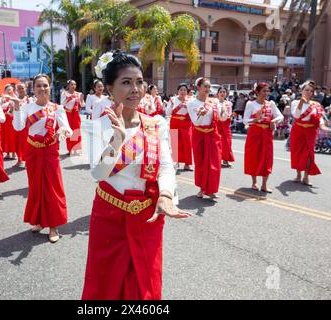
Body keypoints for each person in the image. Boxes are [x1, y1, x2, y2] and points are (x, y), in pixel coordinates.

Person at [82, 51, 191, 300]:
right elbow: (97, 174)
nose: (135, 89)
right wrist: (116, 141)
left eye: (139, 82)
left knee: (145, 283)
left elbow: (166, 165)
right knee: (105, 284)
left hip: (146, 215)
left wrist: (165, 195)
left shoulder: (157, 123)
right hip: (109, 215)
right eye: (126, 82)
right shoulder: (94, 125)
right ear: (109, 88)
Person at [12, 74, 72, 243]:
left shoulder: (57, 108)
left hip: (50, 151)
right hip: (32, 151)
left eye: (45, 85)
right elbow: (18, 127)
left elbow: (66, 128)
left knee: (53, 188)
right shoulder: (27, 107)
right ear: (34, 88)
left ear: (50, 87)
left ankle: (53, 225)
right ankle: (38, 220)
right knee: (36, 186)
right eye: (39, 85)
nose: (42, 88)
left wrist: (62, 131)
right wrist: (16, 107)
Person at [187, 77, 225, 199]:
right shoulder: (191, 103)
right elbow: (195, 122)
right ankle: (202, 188)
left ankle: (211, 189)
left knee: (214, 162)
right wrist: (200, 115)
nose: (208, 89)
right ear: (198, 87)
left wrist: (224, 111)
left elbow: (222, 118)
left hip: (213, 135)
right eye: (205, 86)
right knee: (201, 162)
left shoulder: (214, 102)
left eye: (209, 87)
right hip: (197, 134)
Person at [243, 82, 284, 193]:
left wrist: (273, 121)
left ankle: (264, 184)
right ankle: (254, 182)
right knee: (253, 157)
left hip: (266, 134)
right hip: (254, 133)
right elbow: (245, 120)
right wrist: (255, 120)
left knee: (267, 158)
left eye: (267, 91)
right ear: (257, 92)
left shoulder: (271, 104)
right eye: (263, 91)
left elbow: (280, 116)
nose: (266, 93)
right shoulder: (251, 104)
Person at [290, 80, 327, 186]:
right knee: (297, 153)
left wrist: (322, 125)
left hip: (310, 131)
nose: (308, 92)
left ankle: (306, 177)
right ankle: (298, 174)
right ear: (301, 91)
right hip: (298, 131)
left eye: (311, 91)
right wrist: (301, 102)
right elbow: (296, 116)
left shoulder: (316, 104)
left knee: (309, 154)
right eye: (306, 90)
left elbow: (319, 118)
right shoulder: (295, 102)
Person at [165, 83, 193, 171]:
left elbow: (193, 113)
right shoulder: (173, 100)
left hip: (186, 124)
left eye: (185, 90)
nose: (183, 91)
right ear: (178, 91)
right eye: (181, 90)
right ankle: (175, 162)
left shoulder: (190, 101)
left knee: (187, 143)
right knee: (175, 142)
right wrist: (173, 107)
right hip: (175, 122)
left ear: (187, 92)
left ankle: (187, 164)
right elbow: (167, 113)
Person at [61, 80, 84, 156]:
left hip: (76, 115)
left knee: (76, 131)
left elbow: (83, 105)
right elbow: (62, 104)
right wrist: (69, 98)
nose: (73, 86)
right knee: (68, 131)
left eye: (75, 84)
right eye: (72, 84)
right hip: (68, 114)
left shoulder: (79, 94)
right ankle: (70, 149)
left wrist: (81, 100)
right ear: (68, 85)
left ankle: (76, 149)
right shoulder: (64, 93)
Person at [13, 82, 33, 168]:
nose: (21, 90)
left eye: (22, 88)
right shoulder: (14, 100)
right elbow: (11, 113)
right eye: (19, 88)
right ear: (16, 90)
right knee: (17, 142)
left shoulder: (30, 99)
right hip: (17, 124)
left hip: (27, 125)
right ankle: (19, 159)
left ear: (26, 89)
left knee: (26, 143)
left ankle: (28, 159)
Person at [216, 87, 235, 168]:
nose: (222, 93)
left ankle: (225, 159)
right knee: (218, 142)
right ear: (218, 94)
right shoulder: (214, 103)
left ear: (226, 94)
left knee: (227, 142)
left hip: (226, 125)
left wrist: (231, 116)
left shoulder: (229, 103)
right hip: (217, 125)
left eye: (224, 92)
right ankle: (218, 159)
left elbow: (229, 113)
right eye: (221, 92)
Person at [1, 84, 18, 160]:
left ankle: (14, 153)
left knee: (12, 136)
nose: (9, 91)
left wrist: (11, 110)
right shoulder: (3, 99)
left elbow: (17, 109)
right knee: (6, 136)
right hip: (5, 120)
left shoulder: (15, 98)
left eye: (10, 89)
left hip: (12, 120)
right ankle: (7, 152)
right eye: (7, 90)